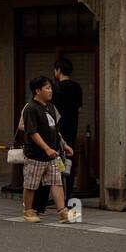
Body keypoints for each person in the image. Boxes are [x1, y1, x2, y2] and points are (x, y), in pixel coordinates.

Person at [32, 58, 82, 213]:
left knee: (48, 167)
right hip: (70, 133)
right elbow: (78, 109)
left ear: (58, 70)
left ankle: (41, 203)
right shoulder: (77, 88)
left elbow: (49, 109)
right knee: (67, 167)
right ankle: (66, 199)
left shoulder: (56, 88)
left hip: (54, 134)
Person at [21, 75, 74, 223]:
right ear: (37, 91)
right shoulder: (31, 108)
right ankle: (28, 211)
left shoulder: (50, 107)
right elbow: (32, 132)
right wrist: (46, 148)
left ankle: (63, 212)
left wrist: (63, 144)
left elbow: (55, 130)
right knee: (31, 185)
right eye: (47, 88)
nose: (51, 91)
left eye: (51, 87)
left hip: (53, 155)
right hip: (35, 155)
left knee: (56, 183)